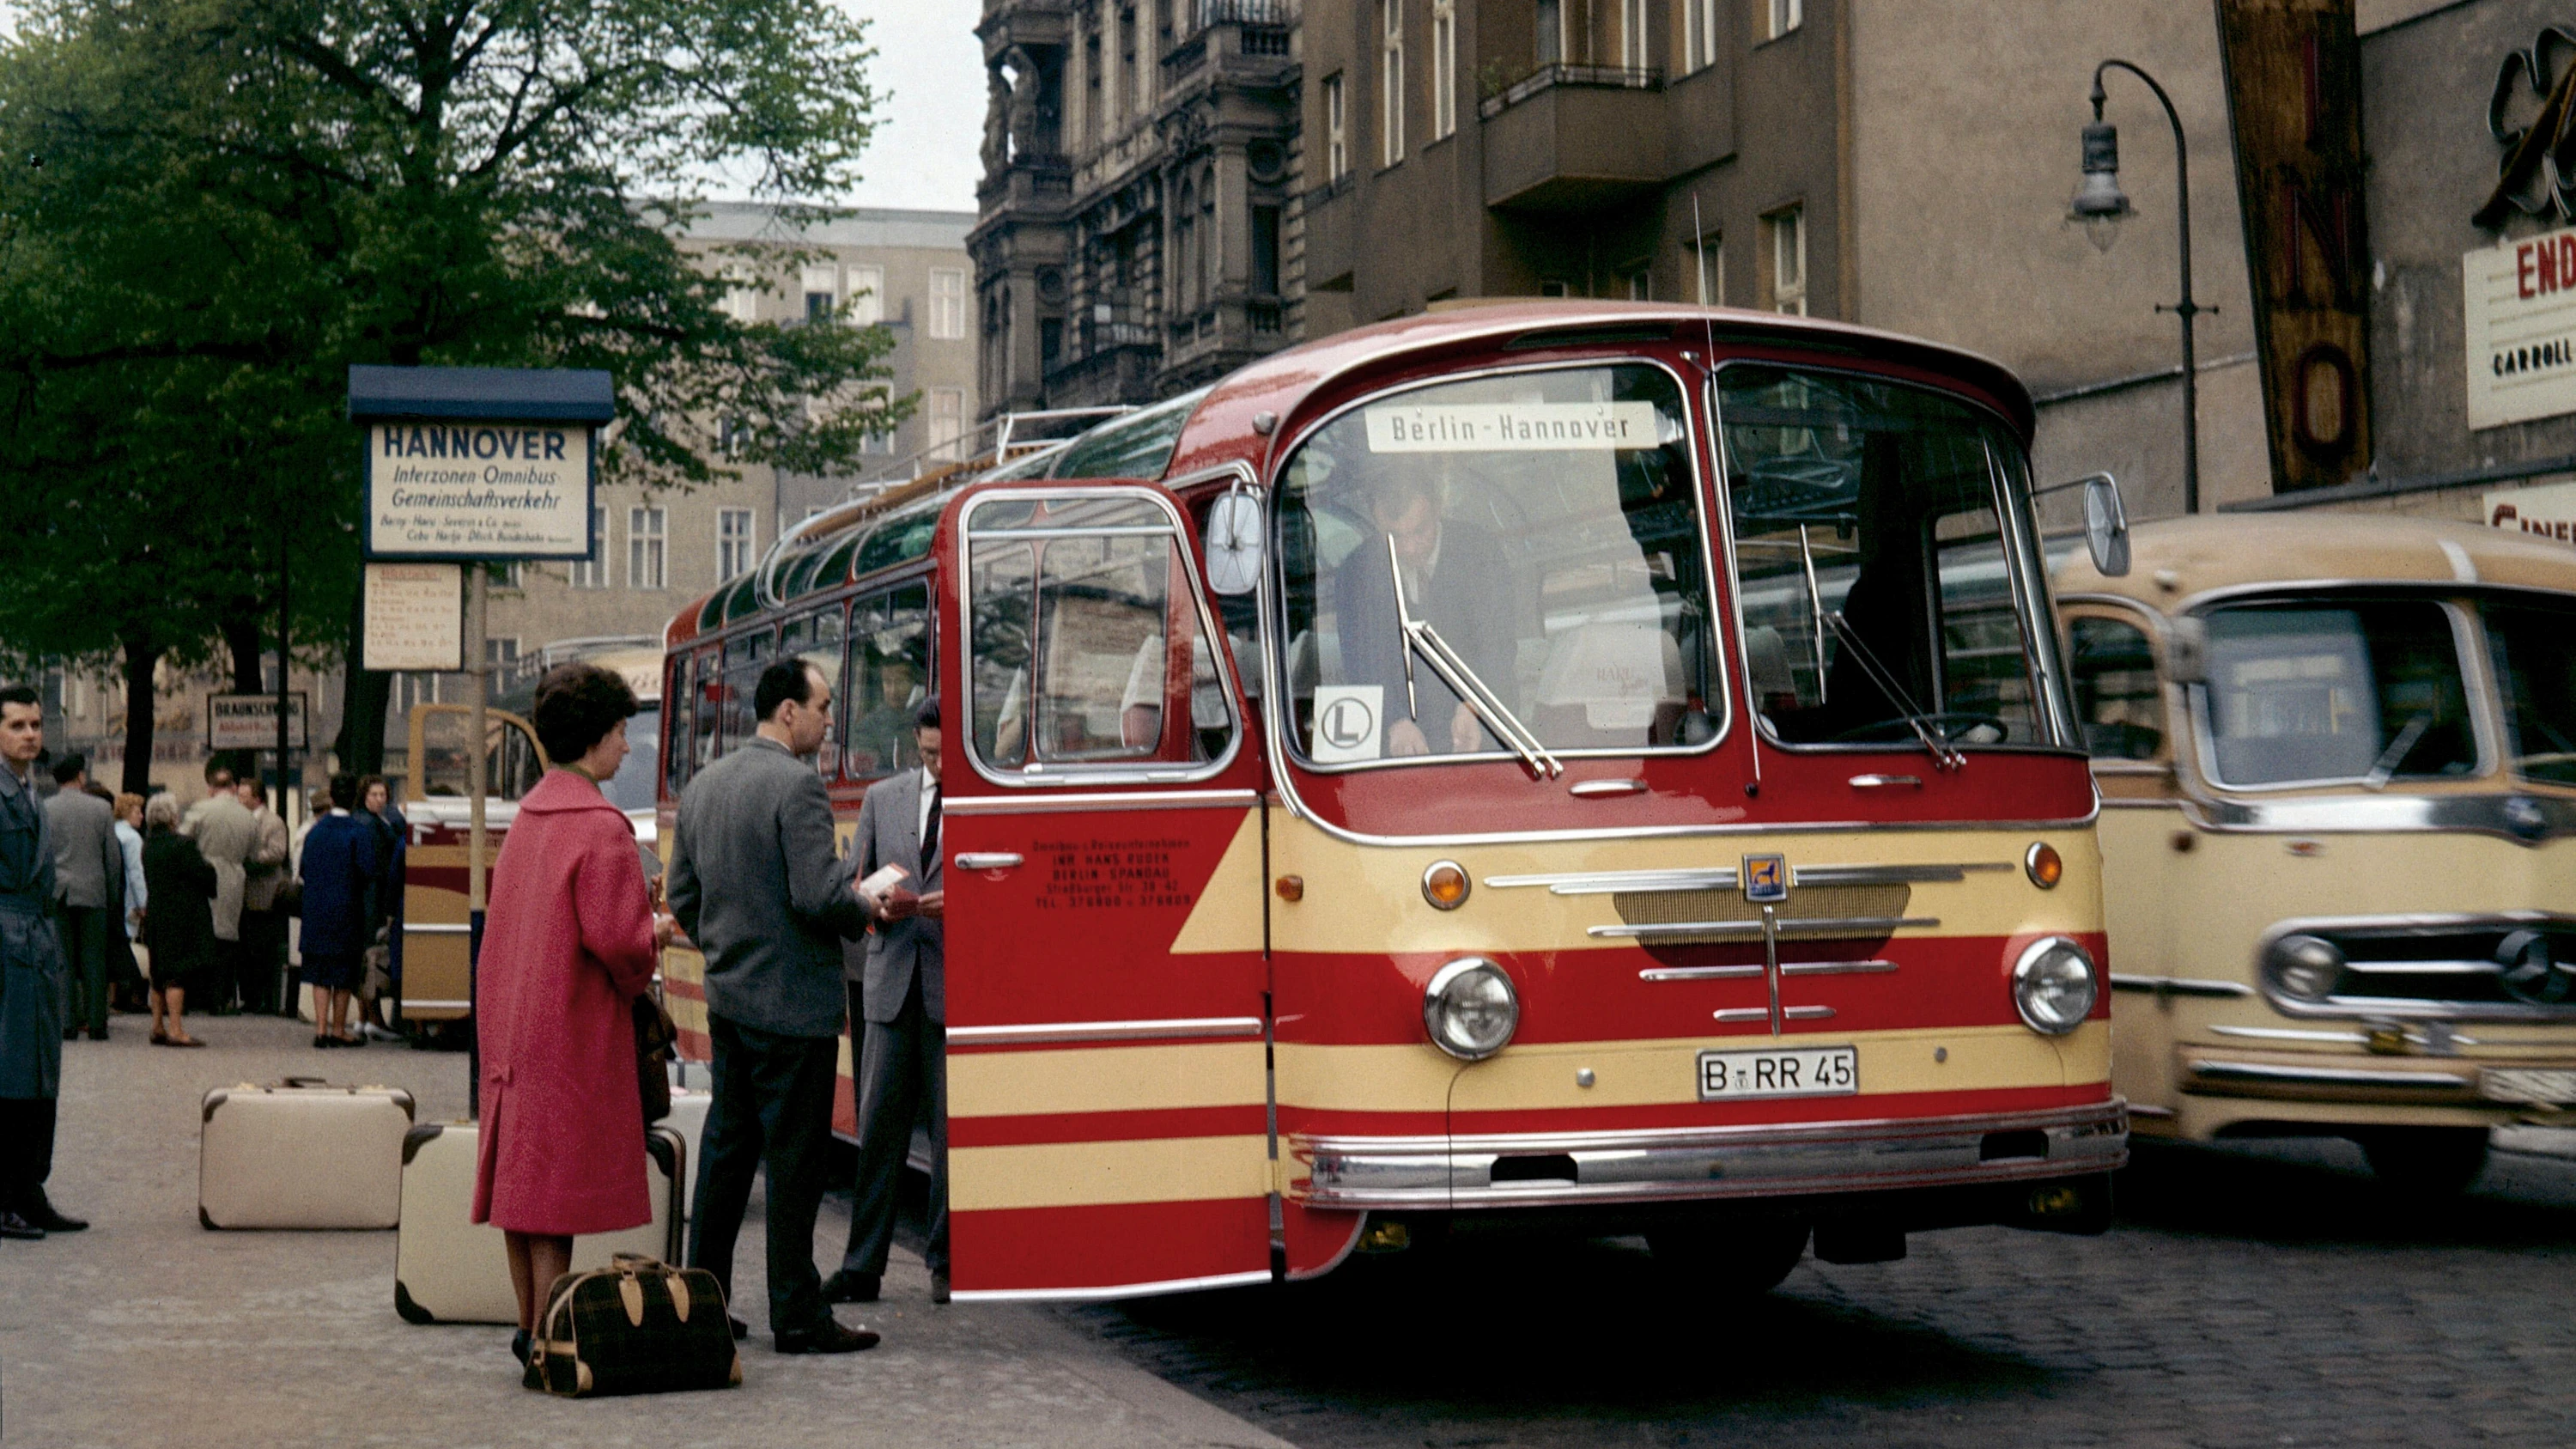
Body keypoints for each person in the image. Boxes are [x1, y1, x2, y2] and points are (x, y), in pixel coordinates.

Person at [668, 655, 877, 1355]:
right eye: (822, 706)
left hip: (731, 1002)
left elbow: (683, 894)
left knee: (726, 1155)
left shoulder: (704, 785)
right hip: (794, 1006)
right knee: (795, 1163)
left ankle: (703, 1301)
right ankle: (796, 1312)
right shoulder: (798, 785)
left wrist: (725, 947)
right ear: (788, 711)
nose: (828, 720)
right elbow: (817, 893)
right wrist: (864, 906)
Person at [472, 663, 671, 1375]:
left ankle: (529, 1324)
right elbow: (620, 943)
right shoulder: (601, 825)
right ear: (595, 736)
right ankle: (551, 1338)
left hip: (514, 1022)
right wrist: (655, 931)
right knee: (553, 1190)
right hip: (570, 1026)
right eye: (620, 731)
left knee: (521, 1186)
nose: (626, 745)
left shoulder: (529, 816)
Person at [828, 695, 950, 1306]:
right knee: (878, 1131)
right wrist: (872, 904)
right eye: (928, 754)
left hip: (951, 989)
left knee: (951, 1138)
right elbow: (855, 880)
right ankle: (862, 1266)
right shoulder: (883, 797)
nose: (938, 764)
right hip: (891, 981)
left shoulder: (981, 800)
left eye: (945, 754)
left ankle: (948, 1266)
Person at [1329, 465, 1518, 758]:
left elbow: (1498, 646)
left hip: (1482, 727)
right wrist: (1394, 721)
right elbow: (1361, 662)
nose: (1410, 548)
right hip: (1397, 741)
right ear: (1375, 522)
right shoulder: (1356, 573)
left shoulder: (1480, 553)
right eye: (1394, 536)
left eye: (1420, 531)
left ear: (1438, 508)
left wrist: (1475, 706)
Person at [0, 684, 83, 1239]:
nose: (30, 734)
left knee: (39, 1073)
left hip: (37, 940)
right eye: (17, 725)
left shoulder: (32, 789)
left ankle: (30, 1190)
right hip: (7, 939)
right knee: (7, 1072)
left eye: (35, 724)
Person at [295, 776, 378, 1049]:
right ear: (355, 799)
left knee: (320, 972)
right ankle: (339, 1029)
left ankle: (321, 1029)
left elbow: (304, 870)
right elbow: (368, 871)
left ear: (331, 798)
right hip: (346, 911)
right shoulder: (358, 832)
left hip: (316, 910)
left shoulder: (315, 831)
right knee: (343, 974)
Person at [44, 754, 121, 1043]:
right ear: (80, 776)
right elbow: (112, 858)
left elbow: (42, 855)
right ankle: (97, 1023)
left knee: (62, 959)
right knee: (94, 959)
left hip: (58, 893)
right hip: (93, 892)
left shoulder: (45, 808)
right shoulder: (101, 808)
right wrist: (111, 895)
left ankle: (67, 1023)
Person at [139, 794, 215, 1049]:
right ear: (173, 817)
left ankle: (157, 1026)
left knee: (158, 971)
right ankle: (176, 1030)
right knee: (177, 973)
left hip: (156, 912)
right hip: (182, 916)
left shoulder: (148, 846)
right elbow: (203, 875)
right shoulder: (183, 845)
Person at [181, 760, 256, 1012]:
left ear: (211, 788)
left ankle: (198, 995)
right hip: (234, 877)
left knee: (202, 935)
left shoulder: (200, 809)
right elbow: (252, 850)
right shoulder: (247, 816)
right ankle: (220, 996)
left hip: (203, 875)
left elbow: (184, 840)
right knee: (227, 938)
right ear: (233, 787)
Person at [357, 776, 407, 1039]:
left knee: (368, 959)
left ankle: (364, 1017)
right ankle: (373, 1018)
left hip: (371, 896)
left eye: (382, 795)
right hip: (374, 897)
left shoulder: (373, 821)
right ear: (364, 796)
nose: (379, 800)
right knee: (373, 959)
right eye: (374, 795)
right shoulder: (374, 825)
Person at [235, 778, 290, 1017]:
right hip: (244, 895)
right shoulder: (241, 821)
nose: (239, 800)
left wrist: (251, 858)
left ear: (257, 799)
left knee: (264, 950)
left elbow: (277, 852)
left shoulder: (273, 823)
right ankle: (250, 996)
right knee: (247, 949)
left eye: (244, 796)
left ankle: (266, 999)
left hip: (264, 895)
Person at [111, 793, 148, 1014]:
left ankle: (112, 996)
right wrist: (143, 902)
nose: (141, 816)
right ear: (126, 813)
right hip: (129, 899)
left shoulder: (113, 831)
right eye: (137, 811)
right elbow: (136, 872)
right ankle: (127, 997)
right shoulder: (133, 838)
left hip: (114, 897)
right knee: (128, 945)